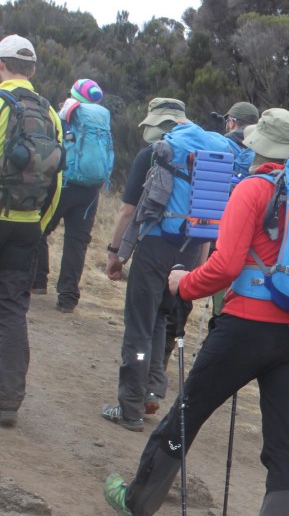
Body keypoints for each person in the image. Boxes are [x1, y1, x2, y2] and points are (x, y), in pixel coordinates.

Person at [103, 108, 289, 516]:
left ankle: (136, 505)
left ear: (259, 145)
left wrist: (184, 284)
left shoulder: (254, 189)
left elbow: (223, 266)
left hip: (246, 328)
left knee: (188, 412)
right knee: (284, 446)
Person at [101, 98, 208, 430]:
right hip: (189, 251)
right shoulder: (206, 157)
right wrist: (198, 266)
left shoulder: (152, 155)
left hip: (155, 247)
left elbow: (127, 211)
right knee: (162, 318)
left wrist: (115, 252)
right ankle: (152, 390)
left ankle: (130, 407)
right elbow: (208, 220)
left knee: (139, 325)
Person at [0, 34, 63, 428]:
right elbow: (58, 181)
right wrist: (39, 226)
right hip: (26, 228)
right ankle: (7, 400)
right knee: (12, 309)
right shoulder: (50, 113)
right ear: (34, 70)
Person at [32, 79, 111, 313]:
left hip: (63, 184)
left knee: (40, 228)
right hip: (91, 190)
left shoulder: (65, 113)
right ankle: (67, 297)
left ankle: (37, 281)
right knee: (77, 242)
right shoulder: (102, 120)